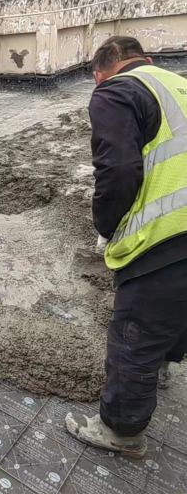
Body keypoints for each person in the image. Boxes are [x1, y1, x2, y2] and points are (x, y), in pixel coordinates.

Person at [66, 36, 187, 458]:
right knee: (179, 307)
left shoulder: (116, 90)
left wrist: (107, 225)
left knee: (136, 329)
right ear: (147, 60)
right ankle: (163, 367)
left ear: (102, 73)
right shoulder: (176, 83)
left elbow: (117, 167)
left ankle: (120, 430)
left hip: (172, 231)